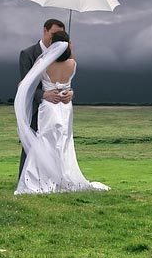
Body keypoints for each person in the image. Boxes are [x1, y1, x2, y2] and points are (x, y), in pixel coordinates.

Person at [14, 31, 109, 194]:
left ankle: (41, 179)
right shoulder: (72, 63)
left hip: (49, 105)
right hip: (65, 105)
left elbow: (26, 83)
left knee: (46, 140)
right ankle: (63, 177)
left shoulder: (44, 62)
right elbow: (67, 82)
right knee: (63, 141)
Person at [17, 19, 70, 179]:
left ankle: (54, 178)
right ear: (45, 31)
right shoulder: (27, 54)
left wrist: (70, 92)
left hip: (58, 107)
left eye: (59, 36)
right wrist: (43, 95)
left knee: (57, 143)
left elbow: (66, 78)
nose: (56, 40)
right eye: (54, 34)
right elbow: (24, 84)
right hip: (34, 107)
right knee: (32, 144)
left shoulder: (63, 54)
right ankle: (25, 179)